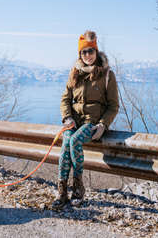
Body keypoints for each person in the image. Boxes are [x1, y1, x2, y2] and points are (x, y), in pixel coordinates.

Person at [52, 30, 119, 209]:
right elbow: (65, 99)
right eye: (84, 52)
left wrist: (103, 125)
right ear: (80, 54)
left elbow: (113, 106)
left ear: (96, 52)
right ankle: (62, 191)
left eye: (91, 51)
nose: (87, 55)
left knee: (74, 141)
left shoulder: (106, 75)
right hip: (74, 121)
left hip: (93, 123)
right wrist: (67, 117)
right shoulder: (75, 73)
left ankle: (78, 188)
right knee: (66, 142)